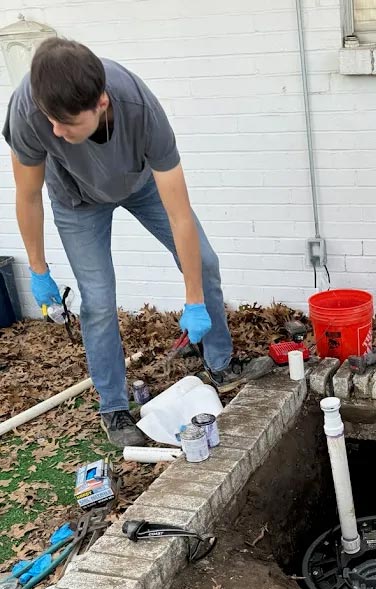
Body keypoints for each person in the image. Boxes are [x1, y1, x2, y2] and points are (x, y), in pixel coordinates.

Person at [2, 37, 260, 446]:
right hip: (76, 200)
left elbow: (179, 213)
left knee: (204, 262)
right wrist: (38, 269)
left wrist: (193, 298)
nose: (55, 130)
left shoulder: (142, 111)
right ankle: (114, 407)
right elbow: (28, 195)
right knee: (99, 301)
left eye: (67, 123)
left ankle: (221, 363)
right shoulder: (28, 109)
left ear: (101, 103)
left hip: (142, 185)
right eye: (51, 119)